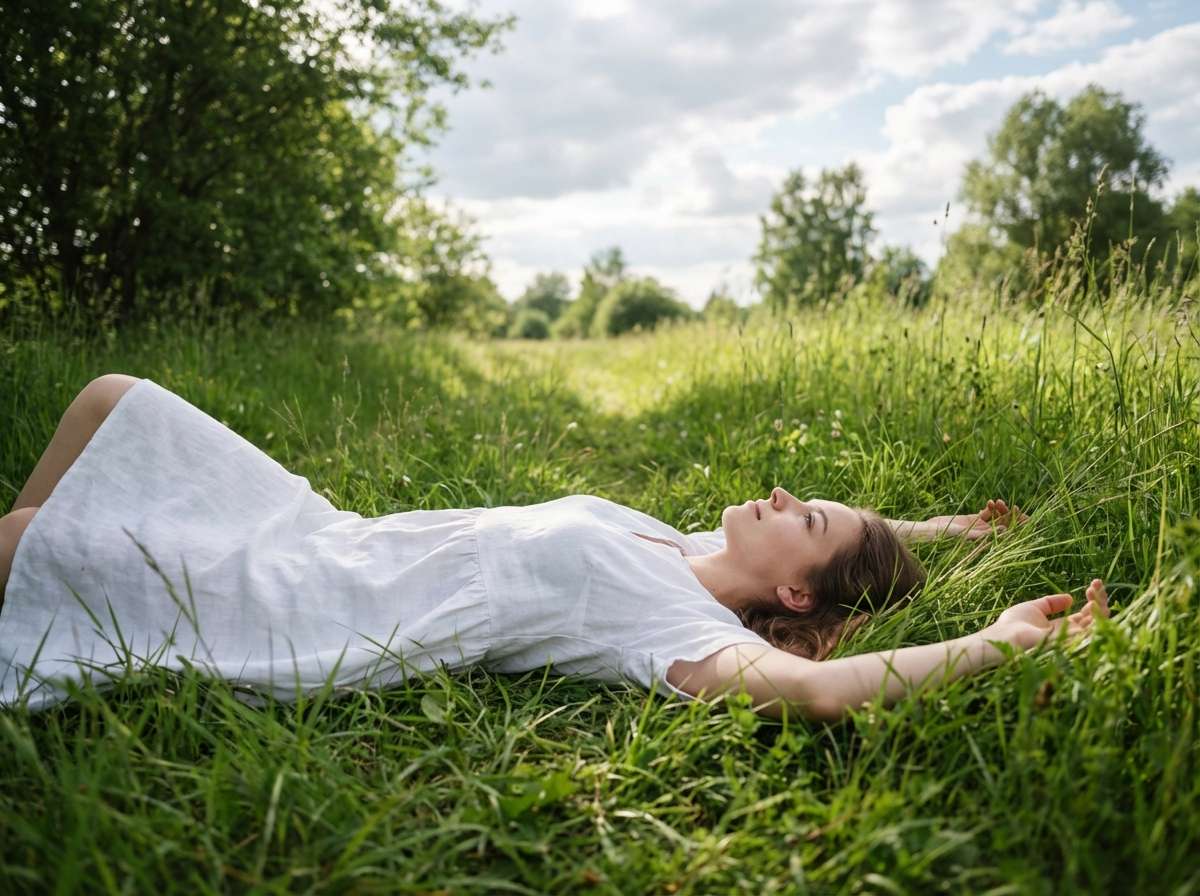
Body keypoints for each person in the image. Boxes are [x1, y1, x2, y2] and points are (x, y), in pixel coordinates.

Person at [0, 374, 1111, 720]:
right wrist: (941, 532)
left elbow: (819, 692)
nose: (783, 492)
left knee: (27, 543)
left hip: (315, 603)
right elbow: (839, 555)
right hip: (334, 535)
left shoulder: (671, 627)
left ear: (788, 583)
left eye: (806, 515)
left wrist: (997, 639)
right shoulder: (672, 548)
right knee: (114, 399)